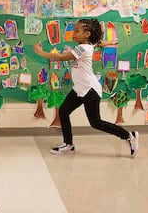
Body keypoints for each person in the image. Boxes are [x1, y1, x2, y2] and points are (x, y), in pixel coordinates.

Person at [33, 18, 139, 157]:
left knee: (95, 122)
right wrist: (110, 42)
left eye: (77, 31)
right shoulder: (88, 45)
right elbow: (98, 43)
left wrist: (40, 52)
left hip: (90, 89)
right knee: (64, 112)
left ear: (87, 34)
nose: (73, 33)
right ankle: (68, 144)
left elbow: (61, 57)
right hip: (80, 88)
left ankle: (129, 135)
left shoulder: (82, 48)